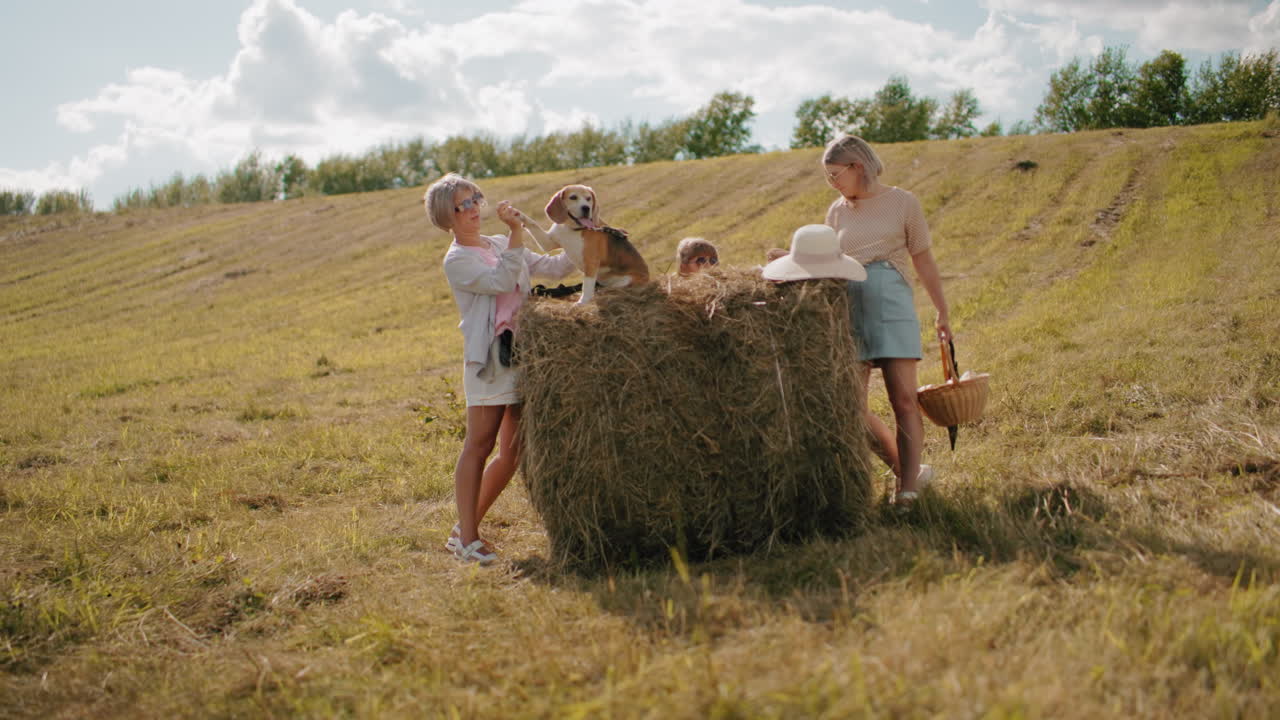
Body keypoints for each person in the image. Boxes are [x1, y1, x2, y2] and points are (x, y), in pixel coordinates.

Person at [429, 173, 577, 564]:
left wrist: (581, 233)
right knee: (479, 446)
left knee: (511, 453)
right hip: (491, 362)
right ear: (446, 217)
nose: (473, 208)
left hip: (522, 355)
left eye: (474, 199)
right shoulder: (457, 260)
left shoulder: (497, 242)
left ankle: (463, 530)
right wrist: (515, 232)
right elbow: (501, 280)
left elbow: (555, 268)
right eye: (462, 205)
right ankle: (468, 540)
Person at [821, 134, 951, 507]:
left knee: (904, 400)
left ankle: (907, 491)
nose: (832, 183)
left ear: (856, 166)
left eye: (835, 174)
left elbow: (923, 259)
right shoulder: (836, 212)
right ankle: (905, 470)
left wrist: (942, 311)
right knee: (850, 406)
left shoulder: (902, 202)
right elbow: (828, 264)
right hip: (849, 312)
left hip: (892, 307)